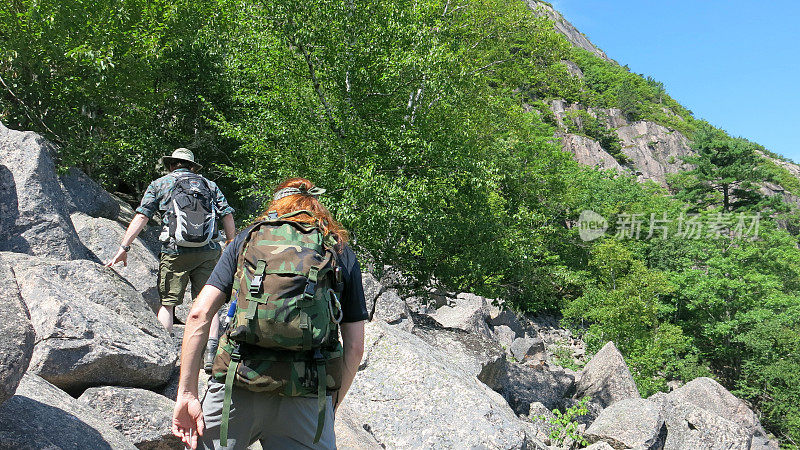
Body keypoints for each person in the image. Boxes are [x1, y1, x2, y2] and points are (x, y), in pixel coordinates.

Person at [172, 177, 367, 450]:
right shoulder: (338, 251)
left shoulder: (247, 240)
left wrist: (187, 394)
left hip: (236, 385)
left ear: (276, 204)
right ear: (317, 206)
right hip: (307, 392)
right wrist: (331, 404)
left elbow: (199, 314)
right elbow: (355, 347)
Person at [106, 148, 236, 370]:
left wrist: (124, 247)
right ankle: (209, 356)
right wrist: (231, 245)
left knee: (168, 304)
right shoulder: (209, 185)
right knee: (208, 303)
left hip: (175, 251)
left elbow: (142, 215)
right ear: (192, 167)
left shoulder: (160, 184)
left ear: (171, 165)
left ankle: (163, 356)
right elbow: (227, 214)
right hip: (208, 251)